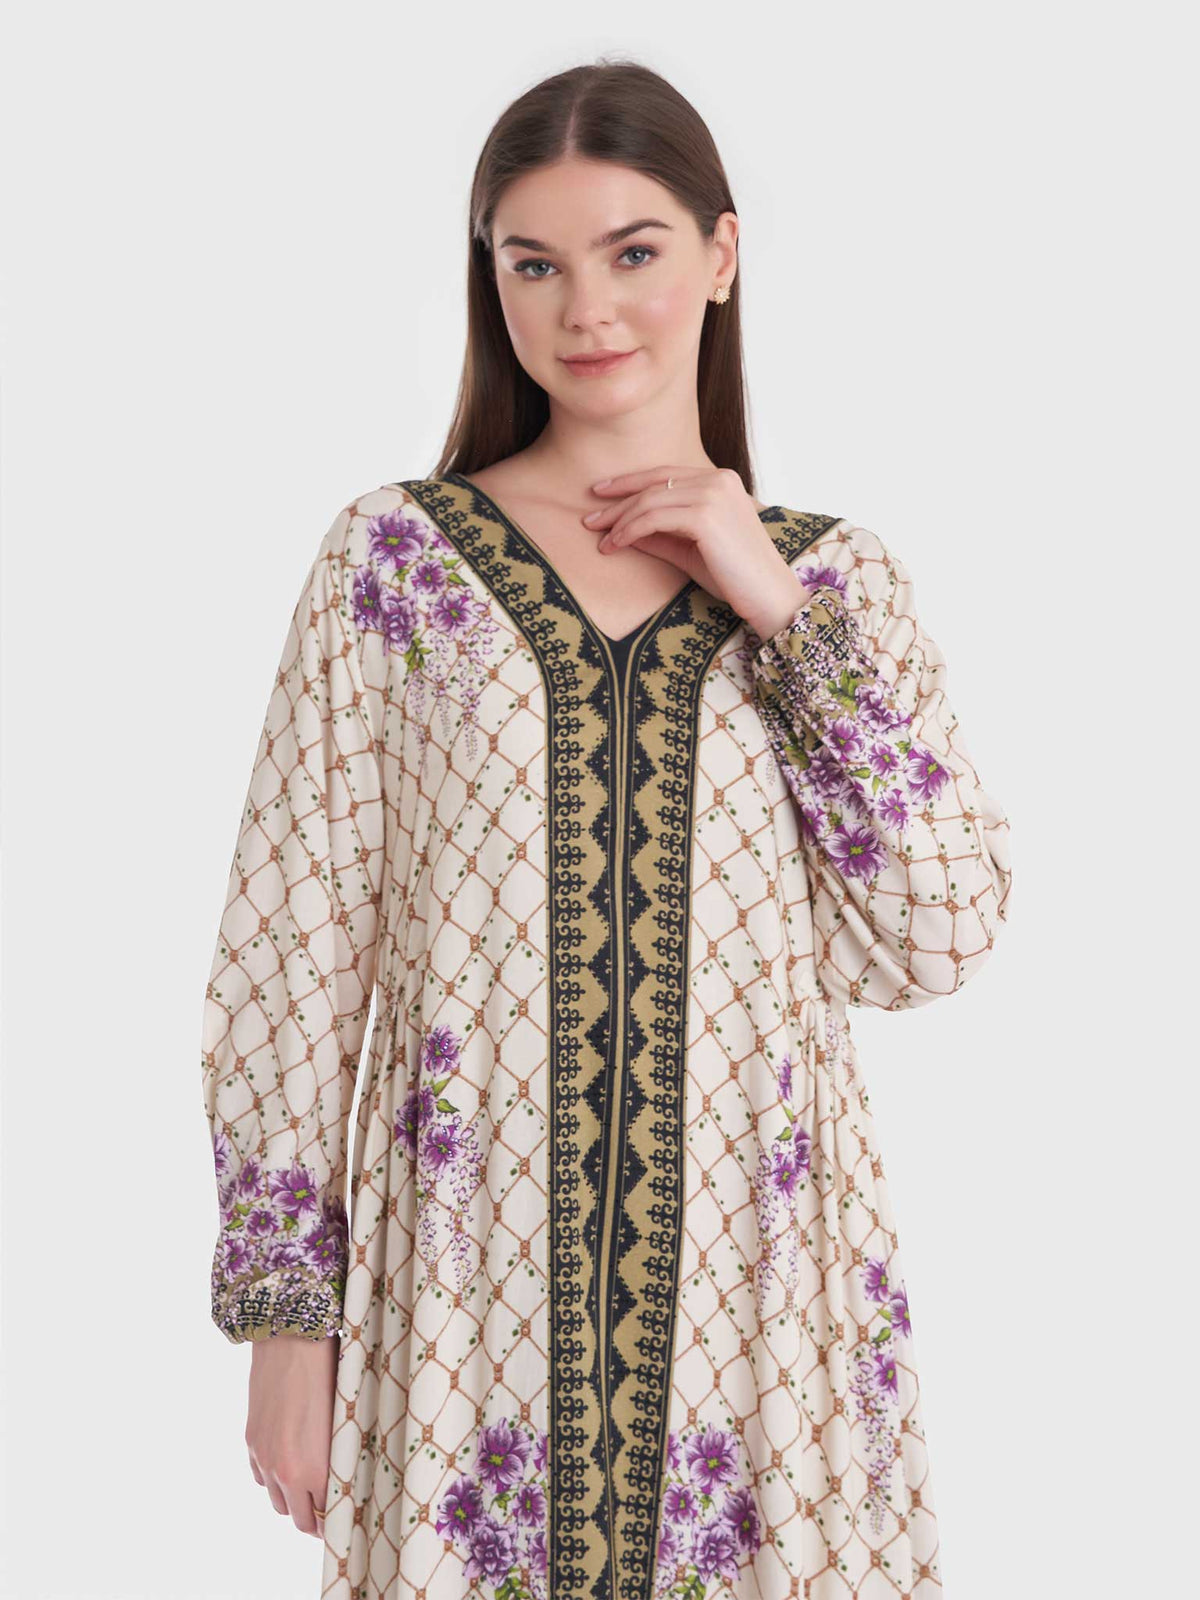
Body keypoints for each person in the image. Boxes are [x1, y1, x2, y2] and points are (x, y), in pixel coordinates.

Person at [200, 56, 1012, 1600]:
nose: (587, 309)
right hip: (464, 1317)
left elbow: (937, 934)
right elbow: (293, 956)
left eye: (633, 251)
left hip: (763, 1333)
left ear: (720, 253)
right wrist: (285, 1326)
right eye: (536, 264)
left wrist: (773, 605)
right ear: (490, 279)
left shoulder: (834, 586)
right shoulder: (396, 568)